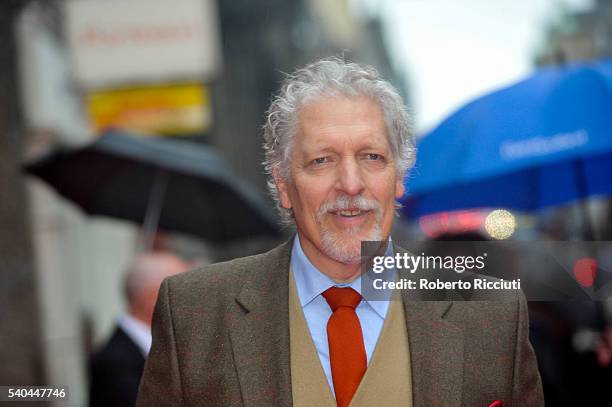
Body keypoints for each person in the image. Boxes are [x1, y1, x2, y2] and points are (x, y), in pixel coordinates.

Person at [137, 58, 544, 407]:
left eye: (372, 157)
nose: (351, 183)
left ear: (398, 178)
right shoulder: (194, 314)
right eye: (321, 160)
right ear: (283, 185)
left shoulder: (493, 313)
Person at [90, 252, 188, 407]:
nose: (190, 302)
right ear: (154, 296)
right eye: (185, 292)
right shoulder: (116, 362)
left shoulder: (164, 343)